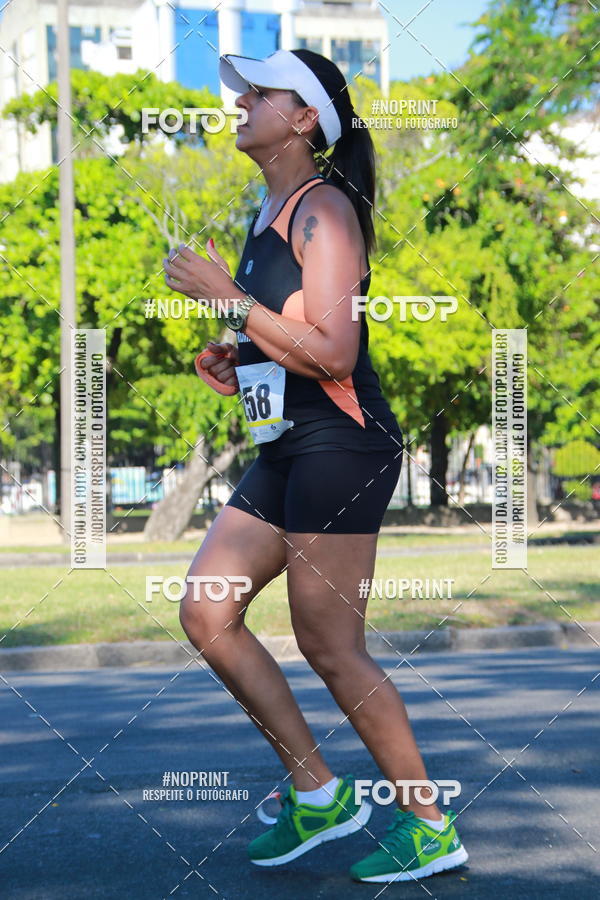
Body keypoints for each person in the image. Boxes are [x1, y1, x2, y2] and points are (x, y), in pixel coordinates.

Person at [163, 47, 468, 884]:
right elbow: (287, 342)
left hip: (345, 446)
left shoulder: (322, 210)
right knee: (206, 612)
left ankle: (428, 823)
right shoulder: (266, 214)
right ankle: (320, 791)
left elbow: (335, 351)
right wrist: (236, 358)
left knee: (331, 646)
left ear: (303, 120)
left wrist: (228, 299)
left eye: (260, 94)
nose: (241, 103)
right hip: (288, 446)